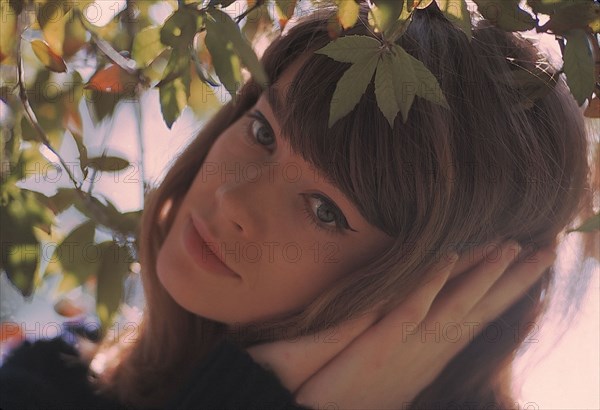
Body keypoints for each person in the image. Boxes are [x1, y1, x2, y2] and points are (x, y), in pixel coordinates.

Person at [0, 2, 592, 409]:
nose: (233, 197)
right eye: (262, 133)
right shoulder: (52, 384)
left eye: (325, 209)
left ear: (453, 286)